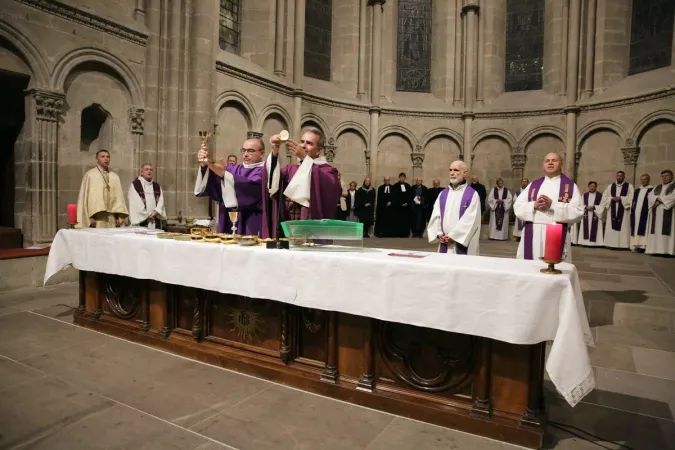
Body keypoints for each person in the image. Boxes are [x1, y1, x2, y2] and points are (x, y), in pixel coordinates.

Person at [262, 127, 341, 238]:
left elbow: (331, 188)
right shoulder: (290, 168)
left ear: (319, 150)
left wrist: (305, 158)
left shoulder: (327, 171)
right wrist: (275, 151)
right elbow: (273, 182)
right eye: (302, 141)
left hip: (309, 225)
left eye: (309, 143)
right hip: (287, 224)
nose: (303, 145)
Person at [513, 152, 583, 262]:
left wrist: (553, 205)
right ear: (543, 165)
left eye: (554, 160)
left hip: (557, 233)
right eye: (547, 161)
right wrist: (533, 205)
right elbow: (517, 206)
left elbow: (578, 212)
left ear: (561, 164)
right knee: (530, 266)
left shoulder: (570, 186)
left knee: (554, 269)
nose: (550, 163)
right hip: (533, 232)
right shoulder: (533, 185)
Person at [195, 137, 265, 235]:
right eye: (243, 150)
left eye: (250, 151)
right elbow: (220, 171)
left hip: (251, 220)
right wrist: (204, 164)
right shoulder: (236, 168)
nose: (245, 154)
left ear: (261, 153)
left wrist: (210, 164)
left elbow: (249, 185)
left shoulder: (264, 171)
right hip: (228, 220)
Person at [427, 160, 481, 255]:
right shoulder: (443, 194)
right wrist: (439, 233)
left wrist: (453, 236)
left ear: (465, 173)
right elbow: (436, 216)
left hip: (462, 243)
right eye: (450, 170)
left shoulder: (472, 194)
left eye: (456, 170)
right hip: (444, 242)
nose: (452, 173)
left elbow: (470, 220)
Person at [75, 149, 128, 228]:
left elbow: (119, 198)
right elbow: (84, 198)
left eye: (108, 157)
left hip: (112, 218)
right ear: (97, 159)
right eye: (102, 156)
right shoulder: (90, 175)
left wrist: (118, 216)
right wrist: (90, 218)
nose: (106, 159)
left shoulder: (115, 177)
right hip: (97, 219)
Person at [601, 171, 634, 249]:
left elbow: (632, 197)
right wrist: (612, 198)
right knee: (611, 226)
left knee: (623, 226)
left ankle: (623, 245)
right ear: (616, 176)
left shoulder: (629, 186)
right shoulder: (610, 187)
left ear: (624, 176)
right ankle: (611, 244)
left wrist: (621, 198)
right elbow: (604, 197)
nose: (619, 177)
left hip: (624, 211)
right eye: (618, 176)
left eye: (621, 176)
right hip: (612, 209)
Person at [646, 169, 675, 256]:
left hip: (669, 211)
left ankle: (667, 251)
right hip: (656, 211)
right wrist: (657, 199)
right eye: (663, 176)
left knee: (667, 230)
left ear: (671, 176)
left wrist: (659, 200)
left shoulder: (674, 187)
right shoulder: (657, 187)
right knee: (656, 229)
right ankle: (655, 250)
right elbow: (650, 196)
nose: (664, 178)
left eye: (667, 176)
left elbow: (673, 197)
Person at [128, 164, 166, 229]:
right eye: (146, 169)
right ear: (141, 172)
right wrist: (146, 214)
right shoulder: (135, 185)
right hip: (141, 219)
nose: (149, 171)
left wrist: (156, 211)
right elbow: (135, 203)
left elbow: (161, 200)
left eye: (151, 170)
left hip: (154, 218)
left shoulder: (157, 186)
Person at [630, 174, 653, 252]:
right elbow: (632, 202)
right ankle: (636, 245)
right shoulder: (637, 190)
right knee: (636, 228)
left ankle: (643, 246)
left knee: (645, 228)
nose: (643, 181)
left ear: (648, 180)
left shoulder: (651, 190)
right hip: (636, 213)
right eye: (642, 179)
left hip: (645, 214)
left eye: (645, 179)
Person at [577, 181, 605, 247]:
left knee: (595, 228)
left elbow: (602, 205)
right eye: (591, 186)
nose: (592, 188)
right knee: (585, 227)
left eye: (593, 186)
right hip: (586, 214)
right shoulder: (584, 195)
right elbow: (580, 204)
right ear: (588, 187)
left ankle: (596, 244)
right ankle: (584, 243)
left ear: (596, 187)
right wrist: (585, 207)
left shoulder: (600, 195)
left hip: (595, 213)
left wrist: (594, 207)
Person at [393, 172, 412, 237]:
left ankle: (405, 233)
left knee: (405, 221)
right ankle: (398, 233)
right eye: (401, 177)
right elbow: (395, 196)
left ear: (405, 178)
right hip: (398, 206)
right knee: (398, 220)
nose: (402, 178)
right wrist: (400, 203)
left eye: (403, 177)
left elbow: (410, 195)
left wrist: (407, 203)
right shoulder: (395, 186)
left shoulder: (408, 186)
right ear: (399, 177)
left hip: (406, 207)